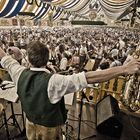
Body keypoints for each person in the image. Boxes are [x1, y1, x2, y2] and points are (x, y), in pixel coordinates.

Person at [0, 41, 140, 140]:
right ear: (47, 59)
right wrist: (123, 69)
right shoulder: (54, 81)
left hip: (29, 125)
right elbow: (89, 77)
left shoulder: (18, 72)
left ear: (29, 60)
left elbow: (5, 58)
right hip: (50, 131)